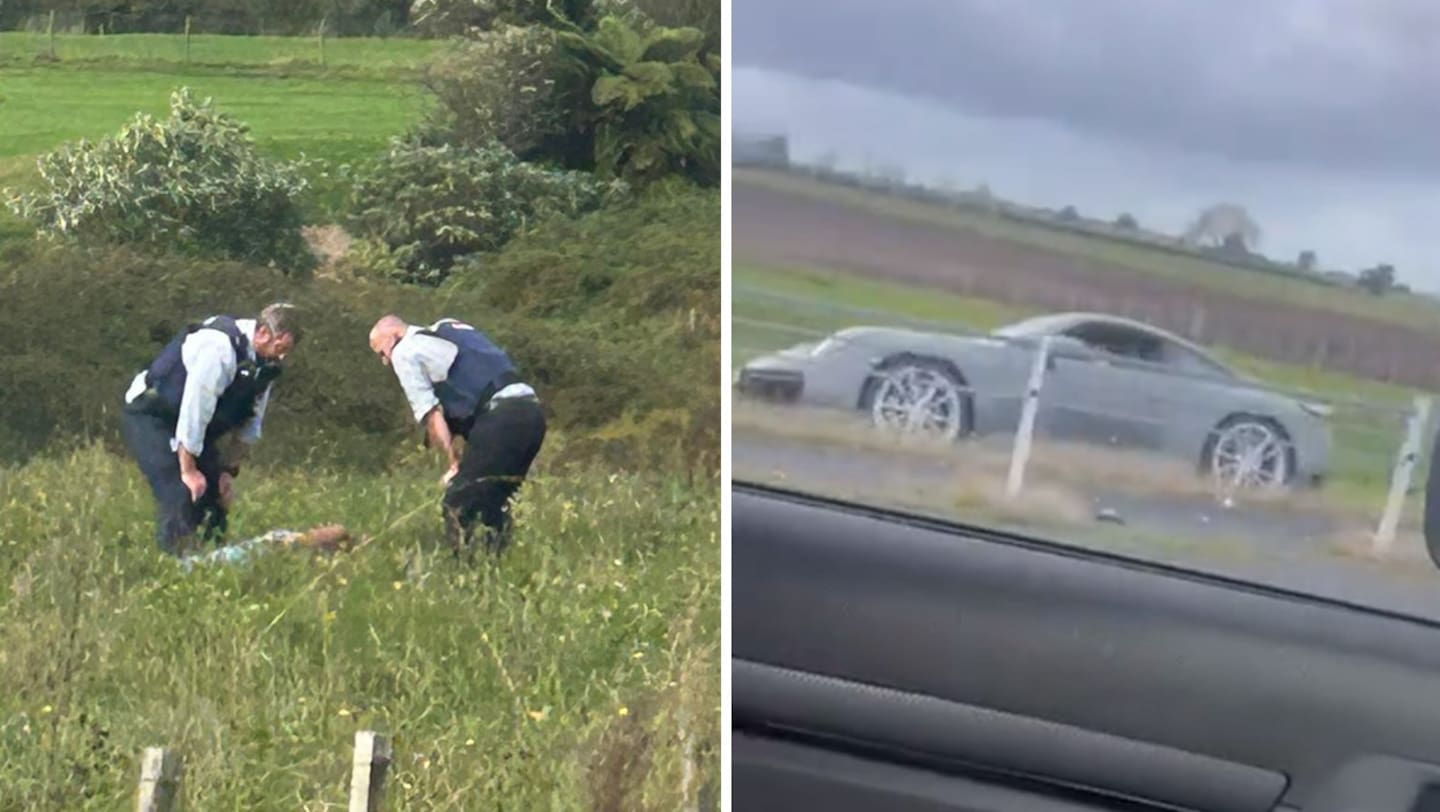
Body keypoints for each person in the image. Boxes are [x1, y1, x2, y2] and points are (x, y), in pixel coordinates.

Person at [121, 303, 302, 555]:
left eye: (286, 352)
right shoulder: (218, 348)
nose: (280, 357)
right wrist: (188, 470)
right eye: (279, 348)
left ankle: (213, 566)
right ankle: (176, 567)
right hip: (153, 415)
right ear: (262, 333)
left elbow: (250, 423)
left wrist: (227, 471)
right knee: (181, 491)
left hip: (193, 425)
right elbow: (195, 410)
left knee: (214, 495)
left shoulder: (265, 365)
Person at [368, 314, 547, 556]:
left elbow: (431, 415)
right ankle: (501, 570)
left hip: (502, 418)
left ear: (394, 336)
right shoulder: (448, 327)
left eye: (382, 352)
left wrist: (452, 465)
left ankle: (472, 576)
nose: (384, 362)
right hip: (531, 414)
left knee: (458, 504)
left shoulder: (405, 351)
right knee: (492, 501)